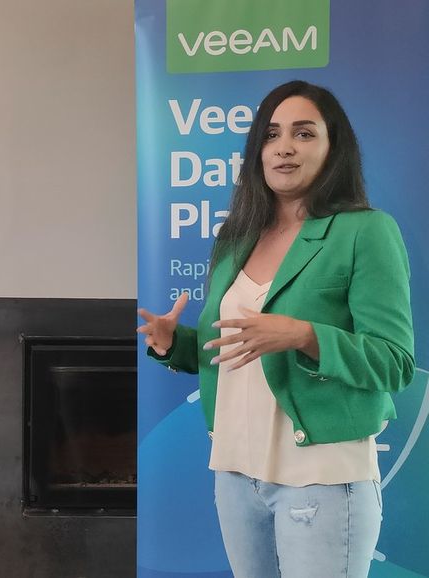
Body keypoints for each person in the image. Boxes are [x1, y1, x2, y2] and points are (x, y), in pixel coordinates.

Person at [137, 80, 414, 578]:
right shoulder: (237, 237)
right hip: (236, 475)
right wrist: (174, 344)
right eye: (271, 135)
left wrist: (304, 335)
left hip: (322, 477)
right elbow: (236, 346)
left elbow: (394, 362)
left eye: (304, 133)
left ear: (333, 148)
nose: (284, 146)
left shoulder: (367, 231)